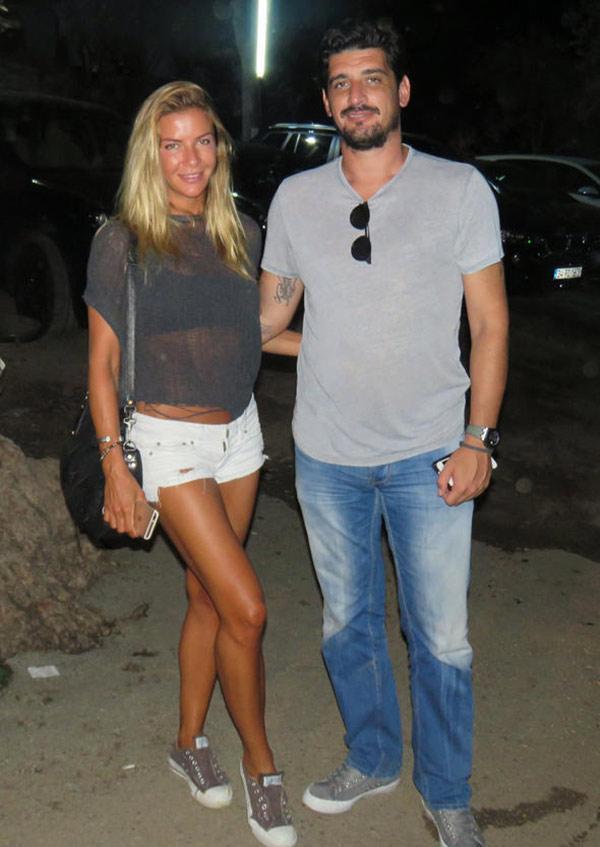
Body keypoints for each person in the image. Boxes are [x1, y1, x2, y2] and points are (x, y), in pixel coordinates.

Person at [259, 19, 508, 847]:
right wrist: (185, 320)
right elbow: (269, 319)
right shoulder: (296, 199)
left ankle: (447, 789)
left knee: (441, 636)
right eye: (340, 83)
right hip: (327, 453)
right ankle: (372, 757)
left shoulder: (459, 190)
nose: (356, 95)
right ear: (326, 101)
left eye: (371, 78)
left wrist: (479, 438)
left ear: (400, 90)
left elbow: (490, 324)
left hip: (432, 450)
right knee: (348, 621)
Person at [84, 81, 298, 847]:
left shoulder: (241, 230)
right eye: (171, 144)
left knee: (207, 595)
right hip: (166, 443)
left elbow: (251, 333)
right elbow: (102, 365)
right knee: (248, 608)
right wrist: (117, 466)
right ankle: (262, 768)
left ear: (219, 147)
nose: (189, 157)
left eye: (202, 140)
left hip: (239, 435)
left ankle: (187, 742)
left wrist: (344, 349)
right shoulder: (123, 239)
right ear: (151, 153)